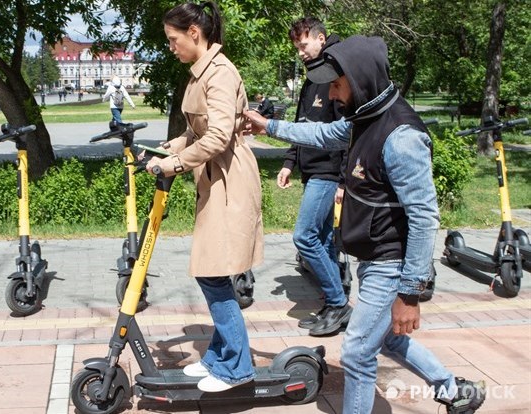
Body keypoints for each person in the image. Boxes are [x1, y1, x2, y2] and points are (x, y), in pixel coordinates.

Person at [243, 35, 486, 414]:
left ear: (359, 80)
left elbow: (425, 218)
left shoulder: (401, 136)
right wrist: (268, 126)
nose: (334, 94)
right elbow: (322, 134)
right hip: (372, 256)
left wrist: (410, 294)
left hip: (392, 263)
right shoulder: (363, 118)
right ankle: (453, 390)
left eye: (338, 84)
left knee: (357, 352)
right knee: (387, 339)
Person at [146, 1, 263, 393]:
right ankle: (218, 357)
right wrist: (170, 148)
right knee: (211, 271)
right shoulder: (200, 73)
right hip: (214, 177)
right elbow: (197, 133)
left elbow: (217, 136)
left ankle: (237, 367)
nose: (171, 47)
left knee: (212, 272)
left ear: (194, 33)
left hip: (230, 181)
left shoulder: (220, 73)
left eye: (173, 39)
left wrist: (176, 164)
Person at [285, 17, 350, 337]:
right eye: (296, 47)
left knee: (304, 237)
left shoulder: (337, 75)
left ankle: (338, 302)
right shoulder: (312, 77)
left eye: (303, 44)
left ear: (321, 38)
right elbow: (301, 124)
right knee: (322, 241)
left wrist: (343, 180)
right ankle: (332, 305)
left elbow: (348, 132)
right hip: (312, 170)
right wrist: (288, 162)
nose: (300, 52)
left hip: (327, 172)